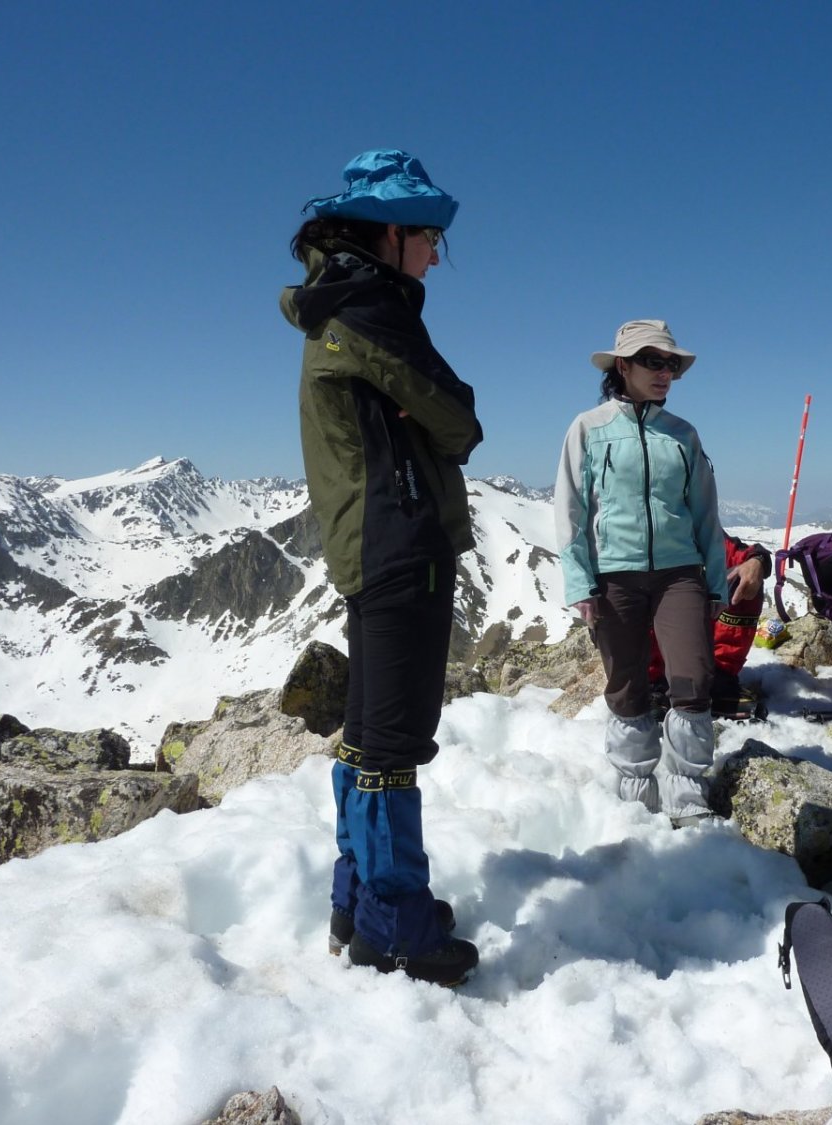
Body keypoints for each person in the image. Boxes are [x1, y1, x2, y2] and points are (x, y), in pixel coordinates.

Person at [283, 149, 481, 986]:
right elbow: (460, 419)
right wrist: (432, 414)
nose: (436, 253)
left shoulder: (338, 301)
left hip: (368, 544)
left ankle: (358, 898)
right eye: (429, 235)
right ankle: (395, 927)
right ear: (390, 232)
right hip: (401, 541)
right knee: (394, 743)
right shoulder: (373, 308)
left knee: (368, 734)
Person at [555, 320, 729, 825]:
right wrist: (579, 581)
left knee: (692, 677)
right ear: (622, 366)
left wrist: (715, 581)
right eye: (654, 361)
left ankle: (686, 791)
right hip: (614, 574)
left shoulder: (682, 434)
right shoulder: (588, 428)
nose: (665, 372)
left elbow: (705, 512)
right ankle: (636, 793)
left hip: (680, 572)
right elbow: (569, 508)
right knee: (626, 683)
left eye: (671, 364)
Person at [649, 533, 772, 718]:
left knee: (745, 577)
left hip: (703, 651)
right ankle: (651, 684)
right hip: (656, 652)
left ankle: (719, 681)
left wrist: (756, 562)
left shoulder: (705, 533)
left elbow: (744, 553)